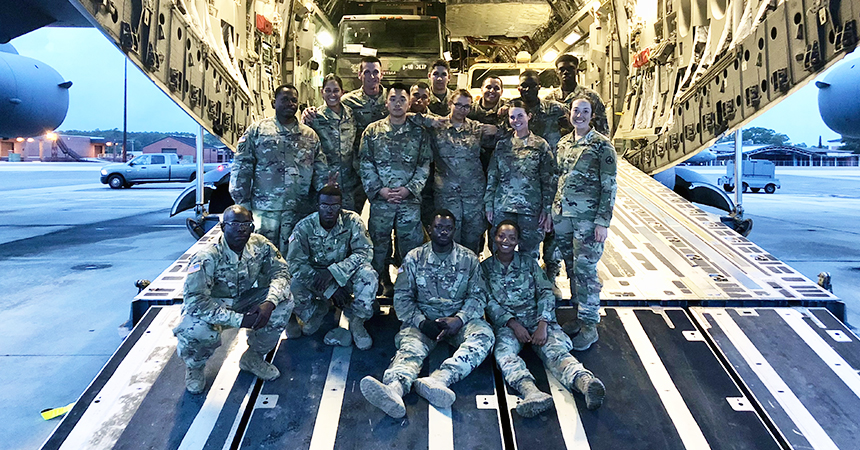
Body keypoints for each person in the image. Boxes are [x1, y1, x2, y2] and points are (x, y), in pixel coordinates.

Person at [360, 210, 494, 418]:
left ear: (454, 231)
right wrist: (422, 323)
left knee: (484, 336)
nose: (443, 232)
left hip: (457, 320)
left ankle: (440, 380)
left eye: (448, 228)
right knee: (410, 349)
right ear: (429, 229)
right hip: (423, 319)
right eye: (439, 227)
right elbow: (402, 297)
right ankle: (394, 389)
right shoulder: (414, 258)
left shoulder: (468, 259)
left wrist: (459, 319)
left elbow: (478, 297)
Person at [482, 221, 605, 416]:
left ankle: (585, 383)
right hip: (508, 325)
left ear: (518, 242)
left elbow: (546, 292)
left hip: (537, 318)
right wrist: (513, 324)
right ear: (493, 238)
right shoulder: (485, 268)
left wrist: (543, 324)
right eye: (501, 236)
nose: (505, 241)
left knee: (555, 351)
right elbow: (487, 301)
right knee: (504, 356)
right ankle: (531, 392)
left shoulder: (529, 263)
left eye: (511, 238)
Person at [174, 205, 292, 394]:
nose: (241, 229)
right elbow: (195, 301)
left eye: (246, 224)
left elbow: (281, 272)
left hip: (244, 299)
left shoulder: (259, 244)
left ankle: (253, 357)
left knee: (283, 301)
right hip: (214, 305)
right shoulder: (206, 257)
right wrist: (239, 320)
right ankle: (195, 367)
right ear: (223, 227)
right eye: (234, 224)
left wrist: (269, 302)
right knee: (194, 329)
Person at [230, 84, 328, 254]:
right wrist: (243, 205)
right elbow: (241, 168)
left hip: (298, 211)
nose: (290, 103)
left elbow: (320, 172)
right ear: (274, 102)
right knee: (261, 256)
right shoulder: (258, 131)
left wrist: (324, 199)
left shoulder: (310, 136)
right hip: (265, 212)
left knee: (296, 258)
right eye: (285, 100)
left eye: (293, 100)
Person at [553, 95, 617, 351]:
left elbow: (609, 186)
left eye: (584, 111)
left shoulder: (602, 146)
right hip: (564, 217)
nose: (579, 115)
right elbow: (559, 177)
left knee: (587, 271)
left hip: (588, 221)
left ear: (592, 116)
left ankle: (590, 325)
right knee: (572, 267)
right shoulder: (564, 143)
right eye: (575, 111)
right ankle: (580, 316)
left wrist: (603, 221)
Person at [359, 83, 432, 294]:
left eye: (402, 99)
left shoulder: (419, 133)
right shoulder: (372, 131)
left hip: (408, 202)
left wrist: (410, 189)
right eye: (393, 99)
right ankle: (380, 286)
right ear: (386, 102)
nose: (397, 103)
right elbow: (365, 163)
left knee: (410, 248)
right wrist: (379, 190)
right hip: (382, 202)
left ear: (409, 103)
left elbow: (424, 164)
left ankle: (407, 290)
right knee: (378, 247)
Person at [287, 185, 377, 349]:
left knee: (368, 275)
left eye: (335, 205)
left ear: (340, 206)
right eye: (325, 205)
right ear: (318, 206)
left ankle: (357, 321)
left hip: (345, 275)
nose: (330, 210)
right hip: (317, 280)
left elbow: (365, 251)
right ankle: (316, 311)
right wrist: (330, 289)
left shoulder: (352, 221)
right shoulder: (303, 227)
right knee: (293, 286)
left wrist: (335, 271)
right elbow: (295, 264)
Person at [303, 55, 388, 214]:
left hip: (384, 169)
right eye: (367, 72)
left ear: (381, 74)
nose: (371, 76)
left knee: (377, 216)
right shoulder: (349, 102)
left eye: (375, 72)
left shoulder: (391, 99)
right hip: (352, 173)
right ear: (360, 75)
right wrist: (307, 112)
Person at [484, 100, 556, 260]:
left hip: (530, 209)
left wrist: (547, 208)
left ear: (529, 116)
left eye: (520, 116)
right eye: (512, 117)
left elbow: (549, 179)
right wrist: (489, 204)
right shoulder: (502, 145)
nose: (516, 120)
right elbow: (493, 176)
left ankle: (529, 284)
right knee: (500, 252)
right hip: (503, 207)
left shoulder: (540, 145)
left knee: (529, 254)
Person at [429, 89, 498, 253]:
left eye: (466, 106)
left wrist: (497, 129)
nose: (462, 109)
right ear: (450, 103)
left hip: (473, 195)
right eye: (458, 105)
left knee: (472, 240)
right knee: (447, 238)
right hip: (447, 194)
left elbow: (508, 134)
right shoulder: (436, 127)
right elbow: (412, 119)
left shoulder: (476, 129)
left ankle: (471, 273)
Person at [304, 74, 361, 212]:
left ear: (342, 92)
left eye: (336, 90)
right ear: (322, 92)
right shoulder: (314, 117)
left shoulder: (350, 115)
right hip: (324, 182)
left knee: (347, 222)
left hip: (348, 184)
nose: (332, 94)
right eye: (328, 90)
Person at [546, 54, 609, 135]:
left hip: (584, 145)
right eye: (562, 69)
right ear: (556, 72)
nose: (566, 72)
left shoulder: (591, 97)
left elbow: (603, 129)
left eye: (570, 69)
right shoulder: (549, 99)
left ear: (576, 71)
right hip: (557, 146)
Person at [467, 76, 506, 175]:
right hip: (474, 162)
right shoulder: (469, 110)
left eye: (496, 88)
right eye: (488, 87)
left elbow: (519, 131)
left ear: (501, 92)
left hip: (501, 162)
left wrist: (498, 131)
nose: (492, 91)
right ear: (481, 89)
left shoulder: (508, 110)